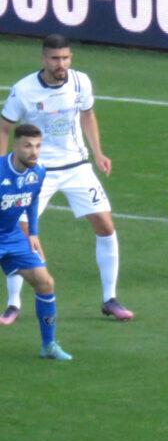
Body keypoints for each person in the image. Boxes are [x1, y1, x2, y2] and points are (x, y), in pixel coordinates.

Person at [0, 34, 132, 325]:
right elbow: (4, 128)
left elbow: (88, 116)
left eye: (65, 58)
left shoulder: (81, 82)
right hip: (37, 170)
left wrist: (98, 153)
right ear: (43, 59)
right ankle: (13, 304)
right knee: (19, 232)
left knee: (105, 224)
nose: (61, 64)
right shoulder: (23, 90)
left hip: (76, 166)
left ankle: (110, 299)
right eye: (55, 59)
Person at [0, 125, 71, 359]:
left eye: (38, 146)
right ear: (15, 147)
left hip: (12, 236)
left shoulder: (38, 171)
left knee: (45, 283)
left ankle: (48, 346)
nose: (34, 152)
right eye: (28, 146)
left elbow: (32, 200)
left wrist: (33, 233)